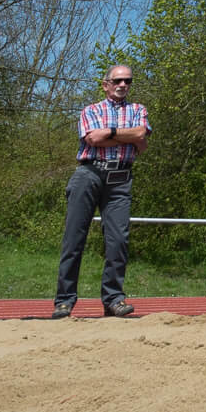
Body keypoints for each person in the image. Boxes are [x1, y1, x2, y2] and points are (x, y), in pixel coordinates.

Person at [55, 65, 150, 318]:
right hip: (89, 174)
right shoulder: (91, 110)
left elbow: (142, 137)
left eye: (127, 80)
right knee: (74, 239)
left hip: (120, 178)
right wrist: (126, 136)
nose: (123, 85)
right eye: (117, 80)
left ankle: (113, 299)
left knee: (118, 241)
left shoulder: (138, 110)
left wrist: (110, 132)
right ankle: (64, 300)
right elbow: (93, 140)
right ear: (105, 84)